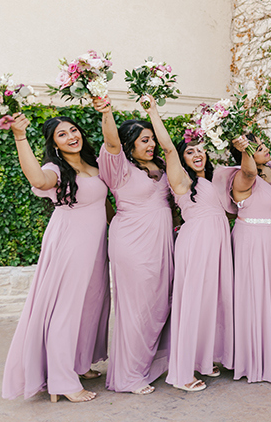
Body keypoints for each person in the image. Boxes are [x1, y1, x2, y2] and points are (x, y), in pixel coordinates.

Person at [2, 114, 111, 403]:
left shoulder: (91, 164)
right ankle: (62, 381)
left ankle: (78, 363)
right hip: (71, 243)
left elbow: (105, 205)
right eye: (62, 135)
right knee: (67, 309)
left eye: (73, 130)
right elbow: (37, 178)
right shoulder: (55, 168)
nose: (71, 136)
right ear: (53, 143)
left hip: (95, 245)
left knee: (90, 305)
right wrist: (20, 137)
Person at [143, 98, 235, 392]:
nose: (197, 154)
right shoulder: (180, 180)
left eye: (200, 149)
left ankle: (202, 360)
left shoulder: (207, 180)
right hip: (196, 244)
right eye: (190, 151)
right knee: (193, 303)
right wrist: (154, 113)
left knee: (210, 302)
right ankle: (182, 373)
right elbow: (168, 148)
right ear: (181, 159)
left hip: (216, 245)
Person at [94, 96, 173, 395]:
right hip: (133, 243)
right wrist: (107, 112)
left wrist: (153, 114)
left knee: (157, 306)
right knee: (137, 309)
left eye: (151, 139)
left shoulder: (160, 166)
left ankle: (149, 365)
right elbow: (111, 143)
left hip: (161, 243)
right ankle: (128, 376)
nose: (150, 144)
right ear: (129, 145)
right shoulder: (120, 168)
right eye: (143, 140)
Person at [227, 133, 271, 383]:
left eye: (263, 145)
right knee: (254, 297)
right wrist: (246, 152)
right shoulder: (242, 176)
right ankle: (253, 360)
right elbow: (250, 173)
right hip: (253, 241)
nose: (264, 149)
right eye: (256, 148)